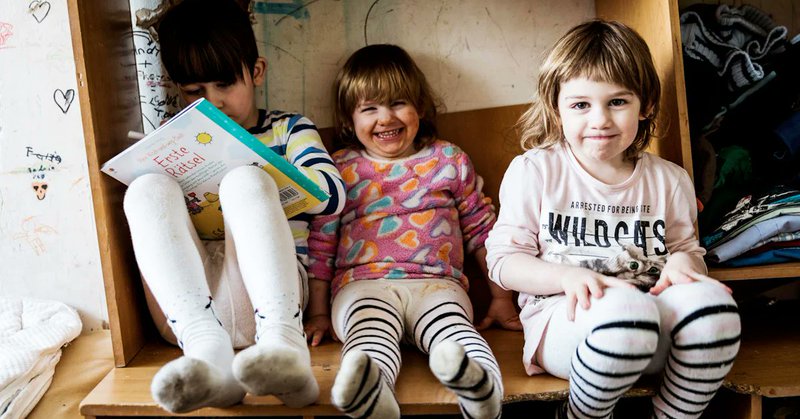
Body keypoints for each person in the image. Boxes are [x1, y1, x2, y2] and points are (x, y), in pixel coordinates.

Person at [484, 20, 742, 419]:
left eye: (617, 102)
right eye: (581, 105)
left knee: (716, 309)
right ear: (557, 109)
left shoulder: (670, 180)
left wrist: (683, 265)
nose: (600, 120)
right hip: (567, 323)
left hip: (650, 319)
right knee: (626, 311)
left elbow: (688, 251)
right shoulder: (535, 170)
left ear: (646, 105)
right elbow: (503, 262)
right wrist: (566, 277)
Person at [122, 0, 345, 413]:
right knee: (144, 189)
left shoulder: (288, 128)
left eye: (224, 84)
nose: (213, 102)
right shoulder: (176, 136)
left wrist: (260, 169)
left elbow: (333, 195)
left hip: (271, 299)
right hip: (189, 312)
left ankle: (285, 350)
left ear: (256, 72)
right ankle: (209, 361)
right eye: (194, 92)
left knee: (244, 180)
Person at [305, 44, 522, 419]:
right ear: (349, 120)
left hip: (437, 284)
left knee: (455, 329)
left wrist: (501, 298)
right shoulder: (339, 169)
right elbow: (321, 245)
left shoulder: (448, 160)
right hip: (363, 285)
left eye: (398, 103)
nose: (386, 118)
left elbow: (482, 232)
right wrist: (319, 313)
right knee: (368, 333)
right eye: (369, 108)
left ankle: (481, 389)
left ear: (420, 106)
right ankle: (372, 395)